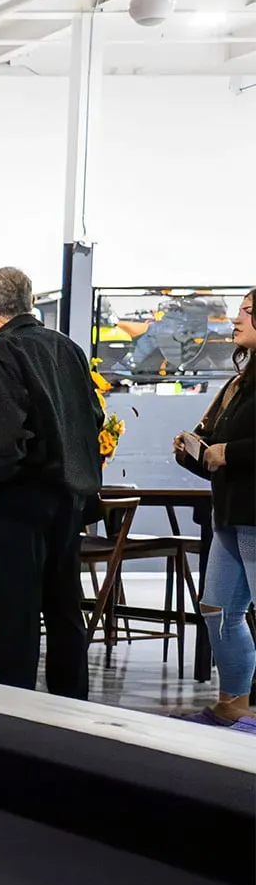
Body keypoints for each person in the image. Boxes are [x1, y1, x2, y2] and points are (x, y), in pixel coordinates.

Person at [0, 266, 105, 698]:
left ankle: (18, 711)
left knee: (16, 614)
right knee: (65, 608)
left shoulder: (0, 355)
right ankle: (74, 710)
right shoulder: (66, 349)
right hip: (67, 499)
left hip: (13, 502)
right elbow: (94, 418)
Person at [171, 289, 254, 725]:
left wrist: (231, 453)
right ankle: (233, 708)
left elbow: (235, 454)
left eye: (246, 311)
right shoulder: (237, 384)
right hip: (230, 514)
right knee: (218, 610)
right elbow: (217, 458)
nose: (236, 318)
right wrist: (194, 453)